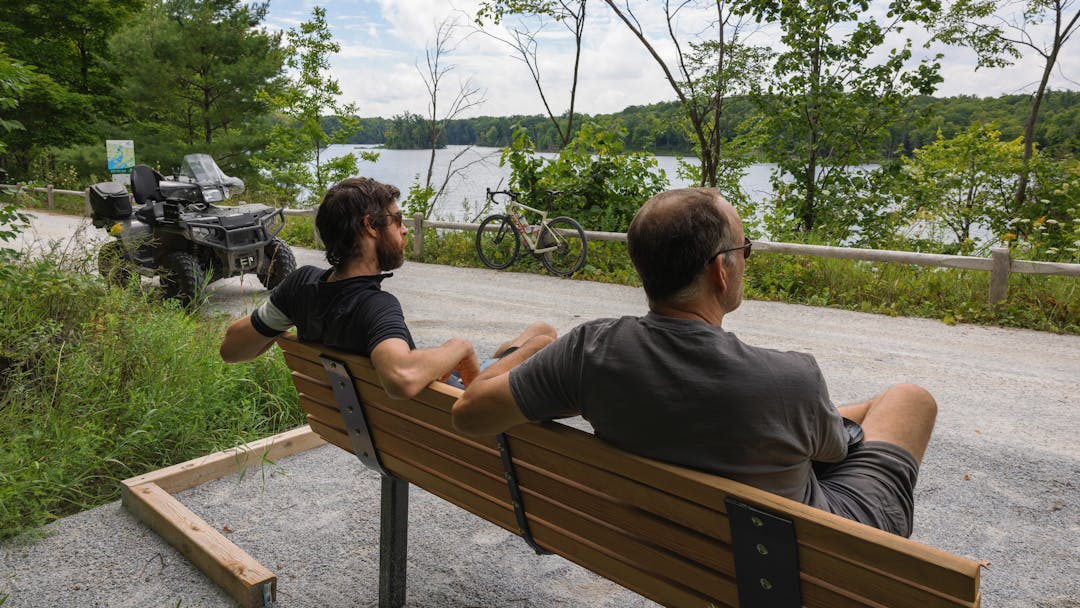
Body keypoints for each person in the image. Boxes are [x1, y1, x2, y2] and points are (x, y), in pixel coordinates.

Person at [451, 187, 937, 537]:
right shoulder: (793, 379)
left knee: (837, 413)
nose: (746, 259)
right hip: (812, 559)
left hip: (669, 551)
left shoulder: (588, 353)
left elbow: (471, 413)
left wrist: (532, 346)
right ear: (720, 271)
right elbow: (834, 452)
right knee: (908, 399)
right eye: (744, 250)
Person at [220, 176, 553, 398]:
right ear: (371, 227)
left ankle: (509, 350)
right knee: (544, 337)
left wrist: (277, 324)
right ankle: (511, 350)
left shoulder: (301, 284)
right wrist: (460, 346)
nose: (404, 230)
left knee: (536, 331)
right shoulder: (375, 306)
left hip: (372, 426)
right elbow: (402, 377)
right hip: (460, 405)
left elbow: (232, 349)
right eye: (397, 220)